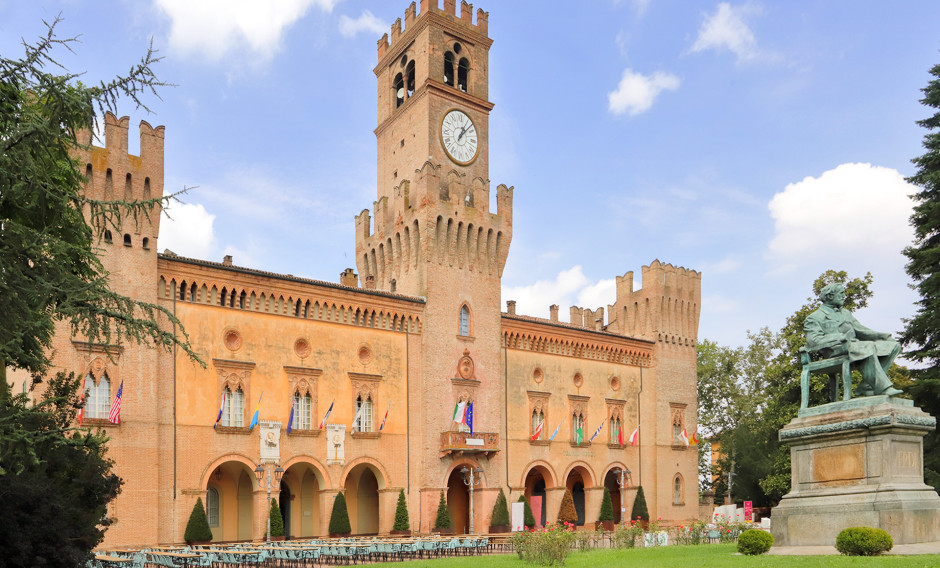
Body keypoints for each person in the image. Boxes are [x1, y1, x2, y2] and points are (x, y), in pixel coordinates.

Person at [804, 283, 902, 397]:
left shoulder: (845, 313)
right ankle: (883, 388)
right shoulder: (814, 317)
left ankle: (866, 387)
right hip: (834, 350)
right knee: (867, 346)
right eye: (841, 293)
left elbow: (861, 330)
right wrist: (840, 337)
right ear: (830, 296)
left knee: (893, 346)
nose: (844, 296)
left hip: (855, 347)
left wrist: (883, 337)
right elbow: (813, 341)